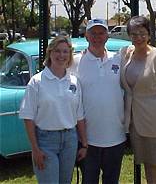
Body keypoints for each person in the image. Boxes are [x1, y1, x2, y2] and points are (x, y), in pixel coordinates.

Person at [19, 36, 87, 184]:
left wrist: (84, 144)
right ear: (50, 53)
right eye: (57, 51)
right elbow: (28, 117)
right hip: (45, 142)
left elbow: (79, 115)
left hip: (70, 140)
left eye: (65, 52)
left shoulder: (74, 81)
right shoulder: (36, 82)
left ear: (70, 55)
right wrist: (35, 149)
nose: (61, 55)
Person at [120, 16, 156, 184]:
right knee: (143, 165)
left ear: (149, 34)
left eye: (142, 33)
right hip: (133, 123)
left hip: (154, 122)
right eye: (134, 34)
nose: (138, 38)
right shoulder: (126, 54)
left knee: (153, 169)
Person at [77, 18, 126, 184]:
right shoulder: (75, 61)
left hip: (116, 136)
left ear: (107, 36)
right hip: (88, 140)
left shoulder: (118, 59)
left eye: (101, 33)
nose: (97, 37)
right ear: (86, 36)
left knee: (111, 181)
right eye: (93, 33)